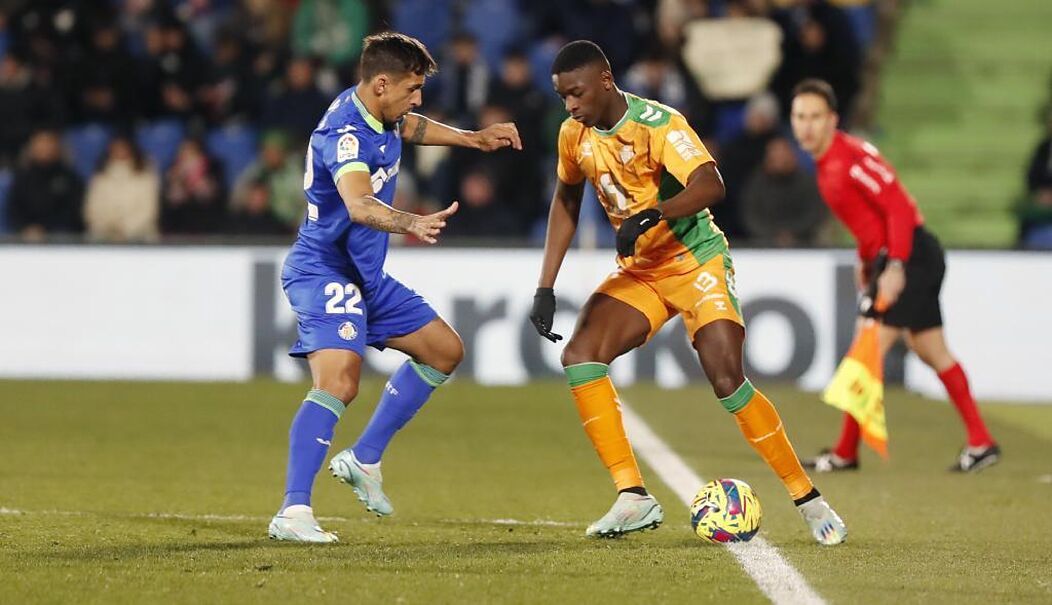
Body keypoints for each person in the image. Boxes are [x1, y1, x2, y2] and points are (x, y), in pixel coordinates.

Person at [529, 41, 845, 545]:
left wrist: (654, 213)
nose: (570, 106)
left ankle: (808, 498)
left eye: (577, 93)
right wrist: (545, 285)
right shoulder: (573, 135)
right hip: (643, 271)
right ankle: (632, 495)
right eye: (563, 96)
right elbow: (566, 200)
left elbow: (709, 183)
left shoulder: (658, 123)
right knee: (581, 355)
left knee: (726, 378)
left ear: (606, 81)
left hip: (696, 259)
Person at [269, 32, 521, 543]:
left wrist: (474, 138)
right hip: (325, 270)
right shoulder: (344, 134)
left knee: (444, 351)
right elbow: (360, 204)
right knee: (338, 382)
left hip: (366, 276)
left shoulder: (381, 112)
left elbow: (414, 128)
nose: (418, 99)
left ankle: (364, 458)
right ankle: (293, 511)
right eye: (412, 89)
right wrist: (412, 222)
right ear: (382, 83)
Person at [789, 78, 1000, 473]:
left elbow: (899, 207)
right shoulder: (828, 163)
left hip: (911, 256)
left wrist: (897, 265)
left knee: (865, 350)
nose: (807, 126)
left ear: (833, 120)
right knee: (930, 350)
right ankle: (981, 442)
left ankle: (845, 453)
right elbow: (871, 222)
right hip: (899, 256)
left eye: (816, 116)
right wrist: (866, 262)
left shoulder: (848, 158)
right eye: (800, 117)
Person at [83, 134, 161, 242]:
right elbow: (92, 210)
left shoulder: (145, 176)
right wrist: (109, 229)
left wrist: (126, 230)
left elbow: (149, 210)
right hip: (104, 238)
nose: (119, 151)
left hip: (139, 239)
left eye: (122, 147)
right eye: (116, 147)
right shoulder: (100, 177)